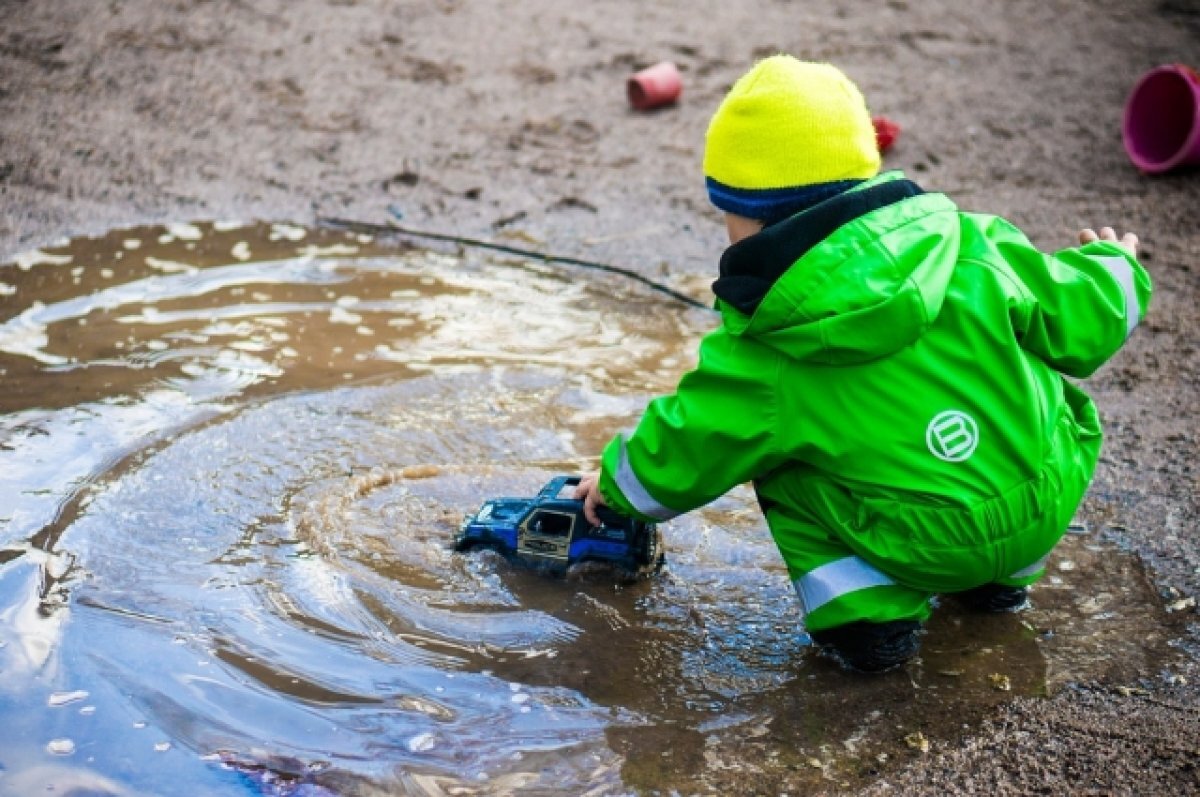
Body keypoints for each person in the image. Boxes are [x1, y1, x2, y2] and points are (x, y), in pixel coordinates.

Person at [573, 55, 1151, 672]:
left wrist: (613, 488)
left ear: (743, 216)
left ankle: (869, 624)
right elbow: (1084, 315)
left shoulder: (766, 346)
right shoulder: (975, 244)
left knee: (775, 460)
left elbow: (689, 444)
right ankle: (998, 587)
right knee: (1026, 388)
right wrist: (1117, 265)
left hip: (920, 542)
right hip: (1044, 500)